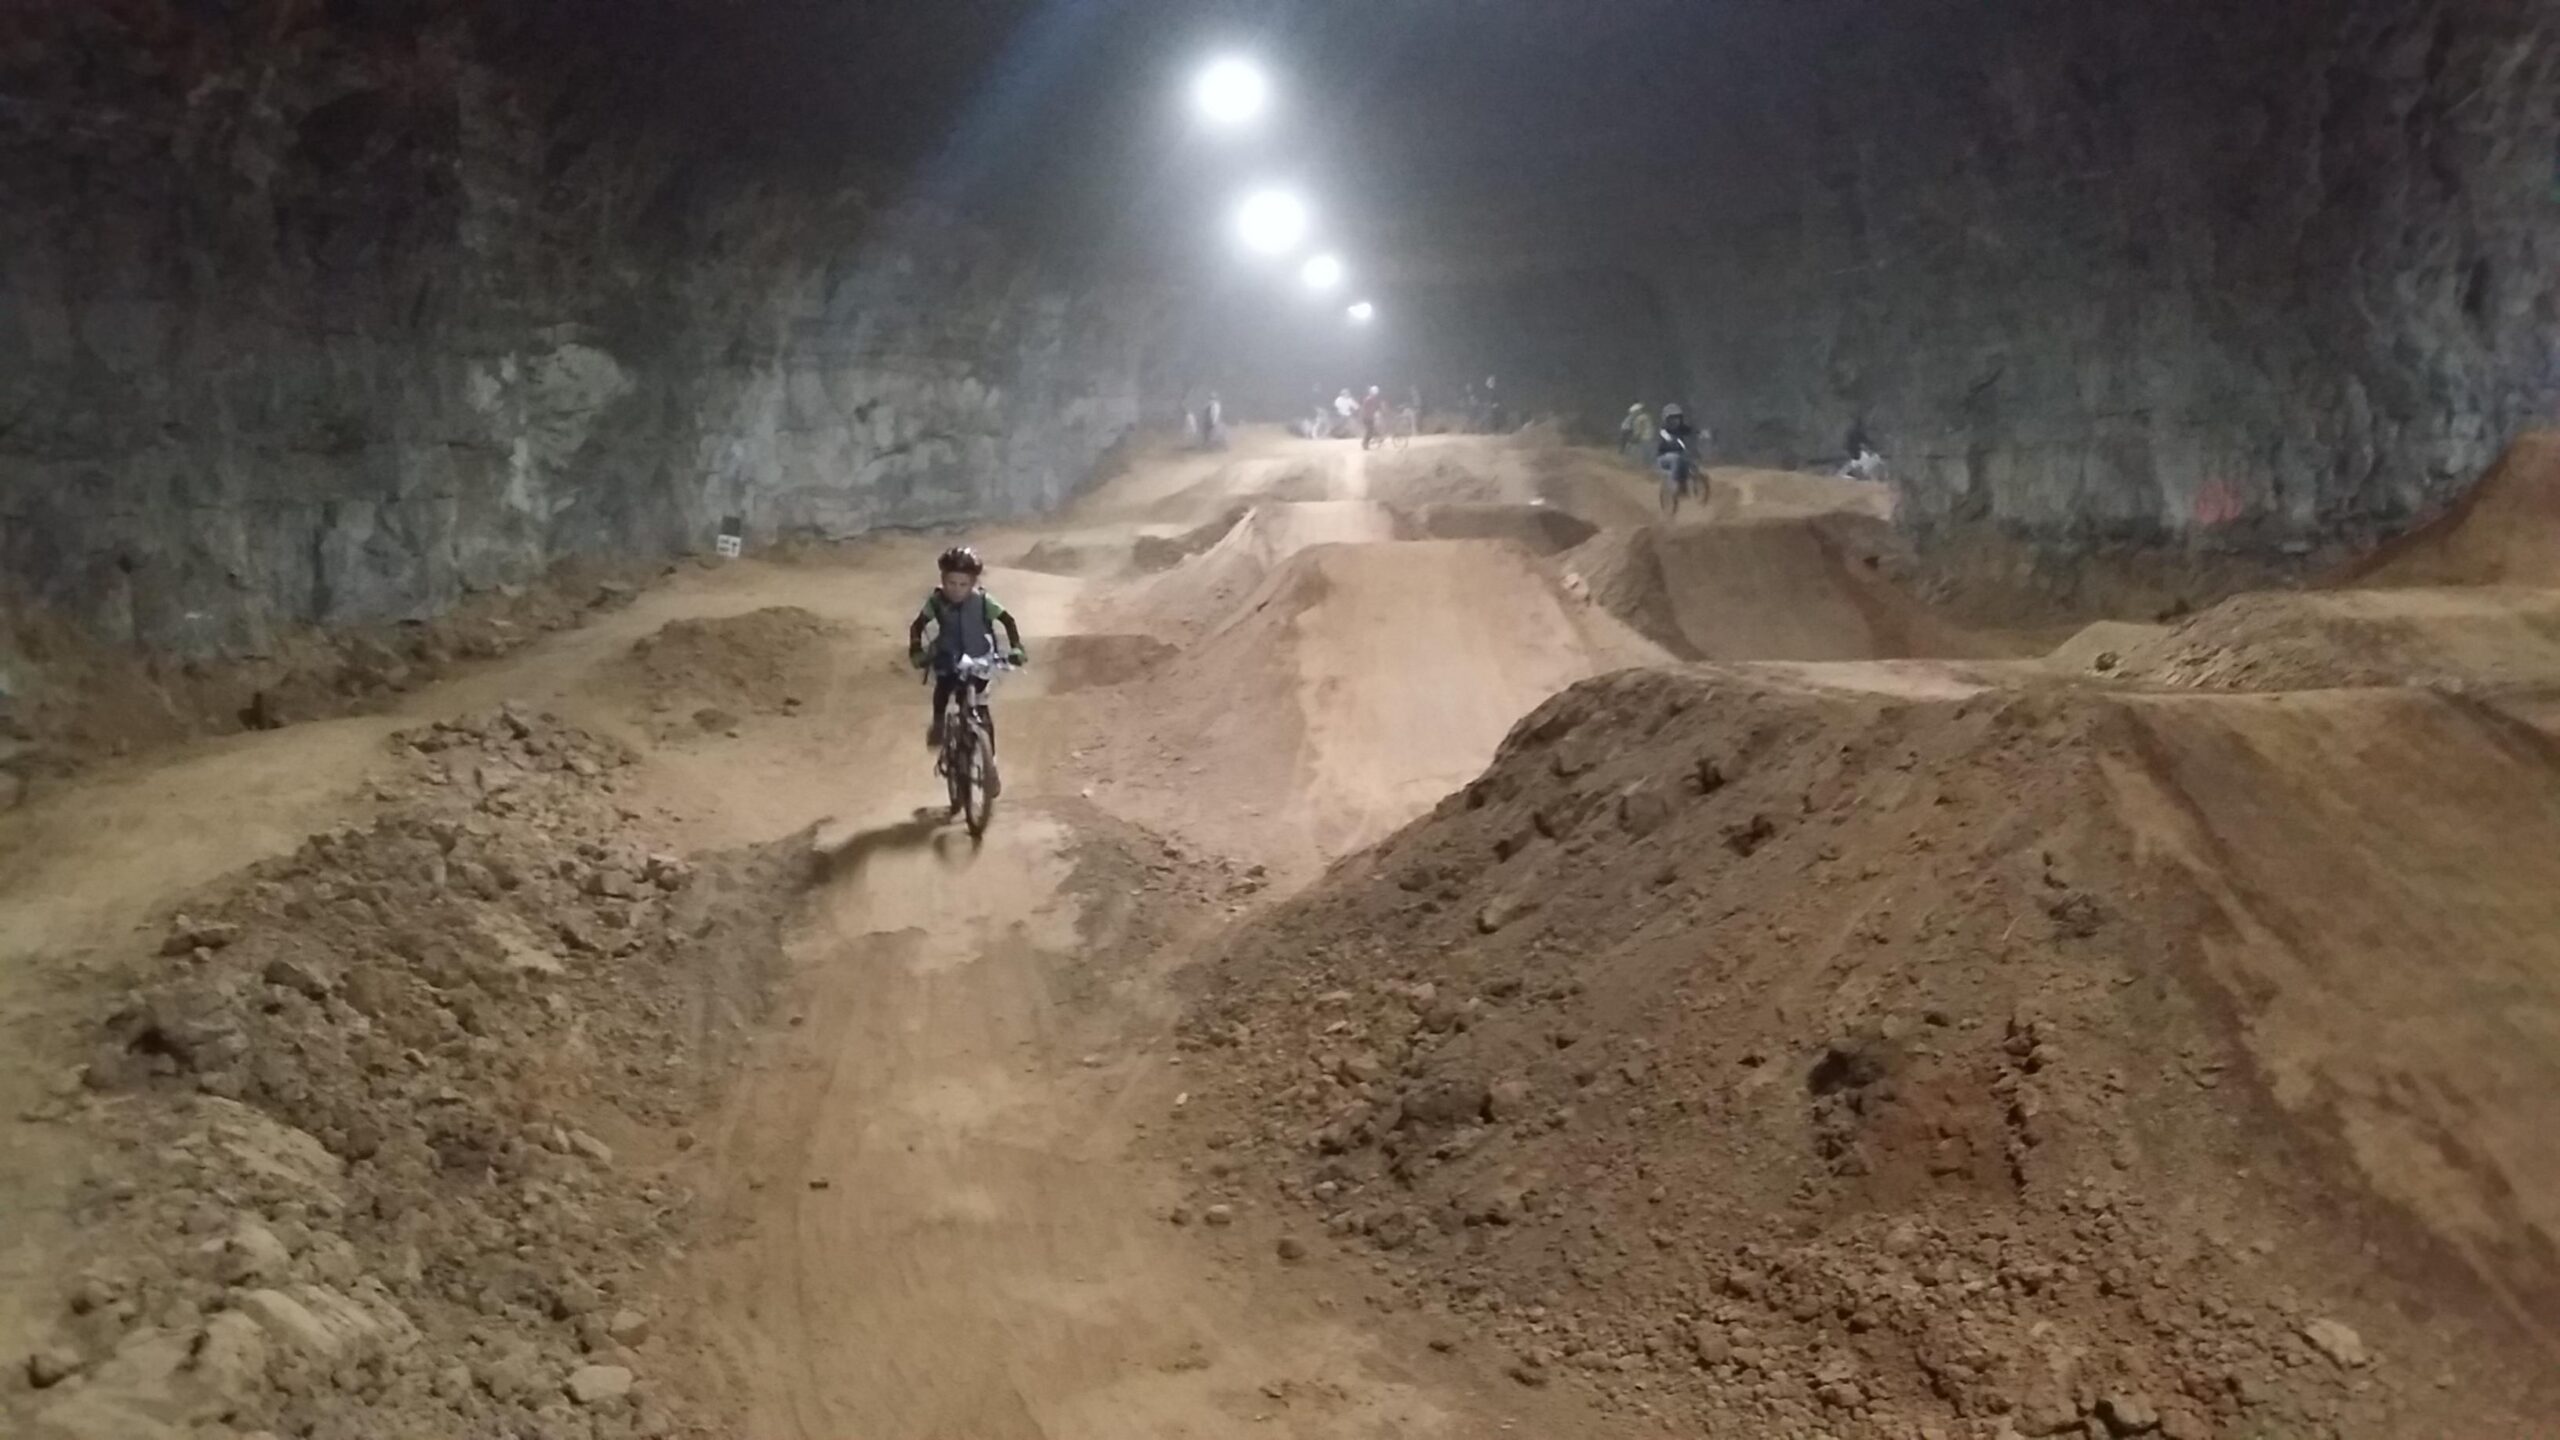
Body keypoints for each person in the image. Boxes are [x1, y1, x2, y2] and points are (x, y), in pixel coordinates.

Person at [908, 546, 1026, 750]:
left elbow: (1007, 620)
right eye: (951, 583)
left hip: (979, 657)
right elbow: (918, 625)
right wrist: (916, 650)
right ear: (943, 580)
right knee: (943, 687)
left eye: (963, 584)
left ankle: (991, 760)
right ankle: (938, 723)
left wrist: (1017, 648)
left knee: (981, 706)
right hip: (947, 655)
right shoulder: (936, 601)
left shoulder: (982, 601)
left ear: (973, 583)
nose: (956, 589)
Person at [1656, 402, 1707, 506]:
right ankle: (1675, 484)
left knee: (1690, 460)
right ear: (1667, 420)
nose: (1676, 421)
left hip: (1680, 455)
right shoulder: (1664, 430)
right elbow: (1666, 436)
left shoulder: (1682, 428)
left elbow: (1693, 431)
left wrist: (1703, 433)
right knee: (1676, 458)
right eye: (1672, 419)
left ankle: (1694, 482)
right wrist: (1671, 440)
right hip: (1664, 458)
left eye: (1678, 418)